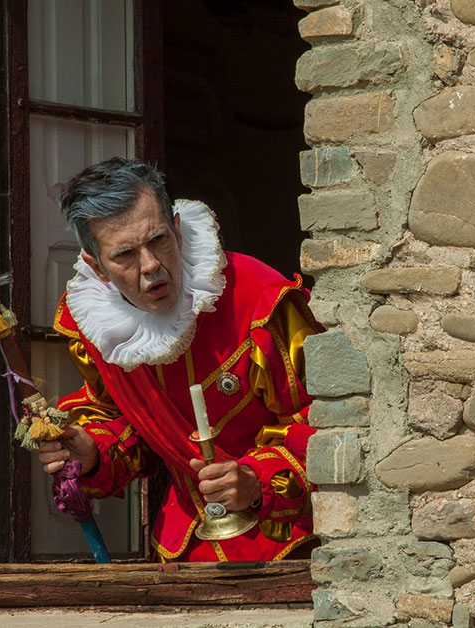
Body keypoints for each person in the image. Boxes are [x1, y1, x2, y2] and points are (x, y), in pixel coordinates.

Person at [36, 157, 321, 562]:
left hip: (287, 542)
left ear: (178, 229)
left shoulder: (257, 299)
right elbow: (123, 424)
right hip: (184, 549)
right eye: (125, 255)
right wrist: (93, 452)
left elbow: (327, 418)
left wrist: (257, 481)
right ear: (96, 267)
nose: (151, 265)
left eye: (159, 240)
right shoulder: (97, 327)